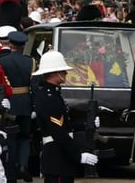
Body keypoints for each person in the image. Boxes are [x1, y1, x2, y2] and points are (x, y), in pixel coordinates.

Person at [33, 50, 98, 183]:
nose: (66, 73)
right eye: (62, 71)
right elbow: (59, 133)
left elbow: (64, 125)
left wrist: (87, 123)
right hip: (57, 158)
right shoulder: (49, 98)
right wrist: (77, 155)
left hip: (60, 158)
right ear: (54, 73)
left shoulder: (53, 94)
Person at [0, 30, 34, 181]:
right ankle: (23, 165)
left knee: (11, 137)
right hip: (25, 102)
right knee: (25, 137)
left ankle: (12, 167)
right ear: (23, 46)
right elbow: (33, 85)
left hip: (10, 102)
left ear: (10, 44)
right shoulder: (30, 61)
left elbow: (2, 85)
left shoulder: (2, 61)